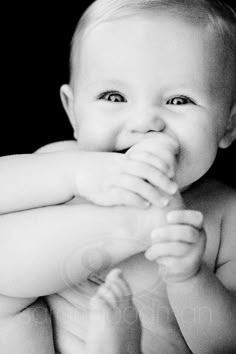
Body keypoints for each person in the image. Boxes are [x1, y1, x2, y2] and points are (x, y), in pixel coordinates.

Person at [0, 0, 236, 353]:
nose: (145, 122)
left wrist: (189, 277)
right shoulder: (66, 163)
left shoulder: (224, 214)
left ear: (228, 123)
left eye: (179, 100)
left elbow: (224, 344)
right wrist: (76, 175)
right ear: (73, 111)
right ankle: (135, 224)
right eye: (114, 96)